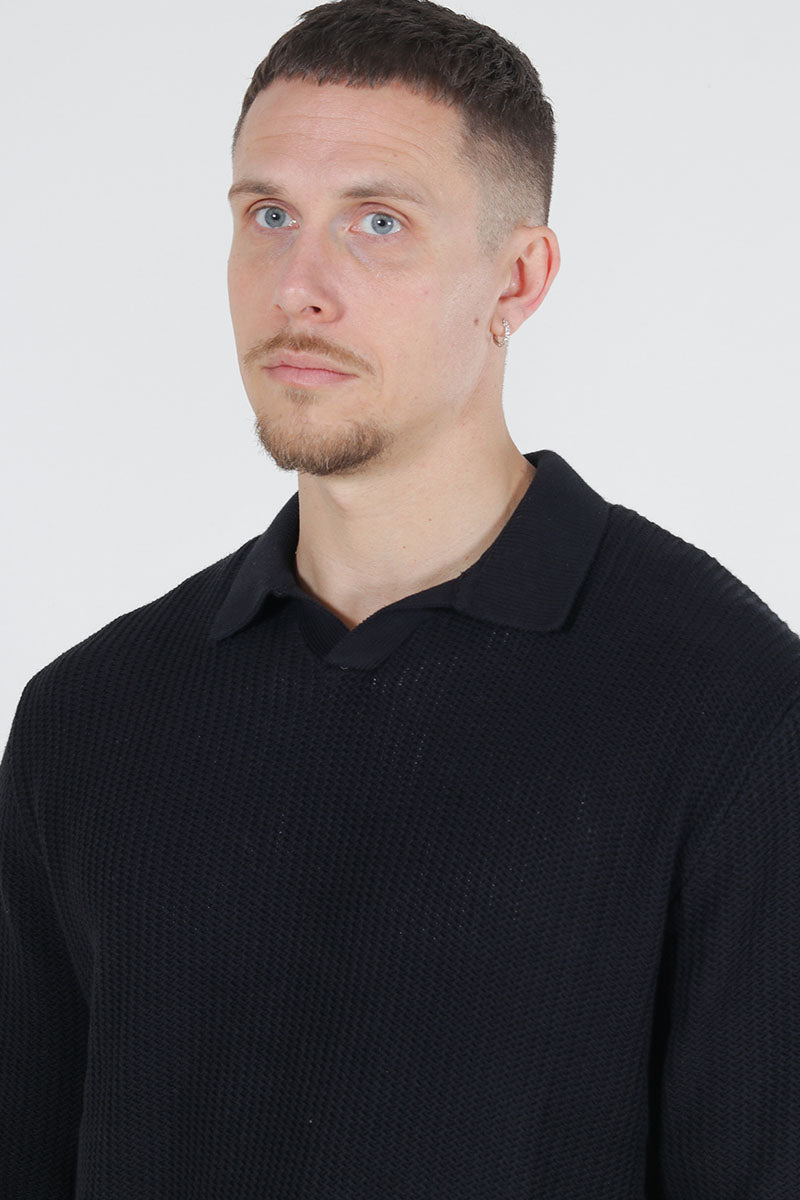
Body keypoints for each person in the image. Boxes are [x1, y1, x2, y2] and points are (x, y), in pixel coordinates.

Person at [1, 0, 798, 1195]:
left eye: (377, 222)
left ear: (516, 279)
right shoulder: (88, 719)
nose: (298, 287)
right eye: (267, 215)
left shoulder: (730, 712)